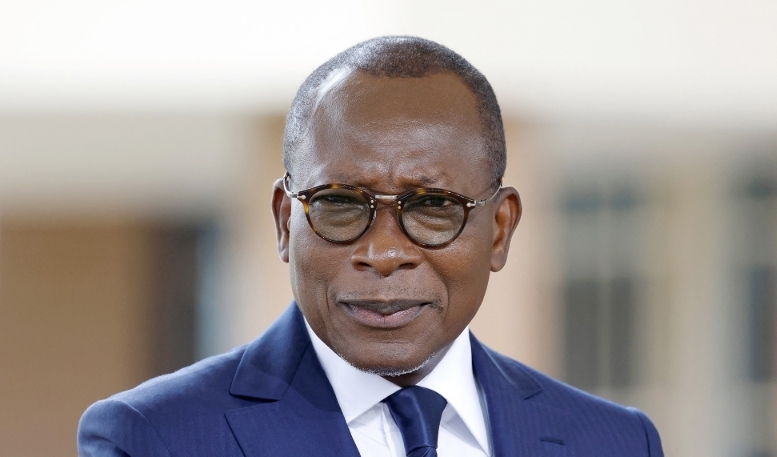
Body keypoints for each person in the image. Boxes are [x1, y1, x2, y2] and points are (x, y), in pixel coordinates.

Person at [78, 36, 664, 457]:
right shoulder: (155, 437)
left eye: (432, 206)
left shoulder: (614, 442)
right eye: (339, 203)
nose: (383, 254)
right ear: (284, 222)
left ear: (500, 229)